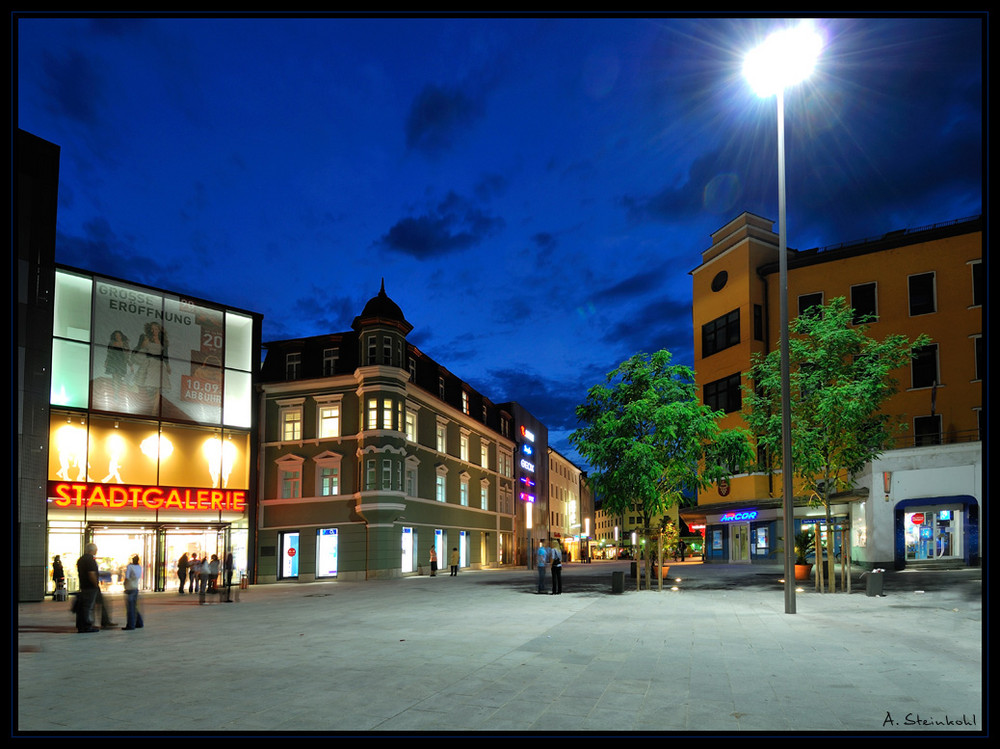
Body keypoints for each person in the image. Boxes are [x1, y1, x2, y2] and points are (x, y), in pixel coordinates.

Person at [75, 543, 101, 633]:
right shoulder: (90, 560)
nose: (96, 552)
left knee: (83, 606)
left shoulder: (81, 559)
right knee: (88, 607)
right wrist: (96, 585)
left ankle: (81, 625)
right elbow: (91, 574)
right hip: (90, 587)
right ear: (92, 550)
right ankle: (87, 625)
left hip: (83, 585)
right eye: (96, 550)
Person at [122, 554, 144, 630]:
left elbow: (127, 577)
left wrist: (124, 584)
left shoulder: (130, 567)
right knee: (133, 606)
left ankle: (131, 625)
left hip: (129, 587)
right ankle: (139, 622)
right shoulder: (139, 567)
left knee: (130, 608)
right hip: (135, 587)